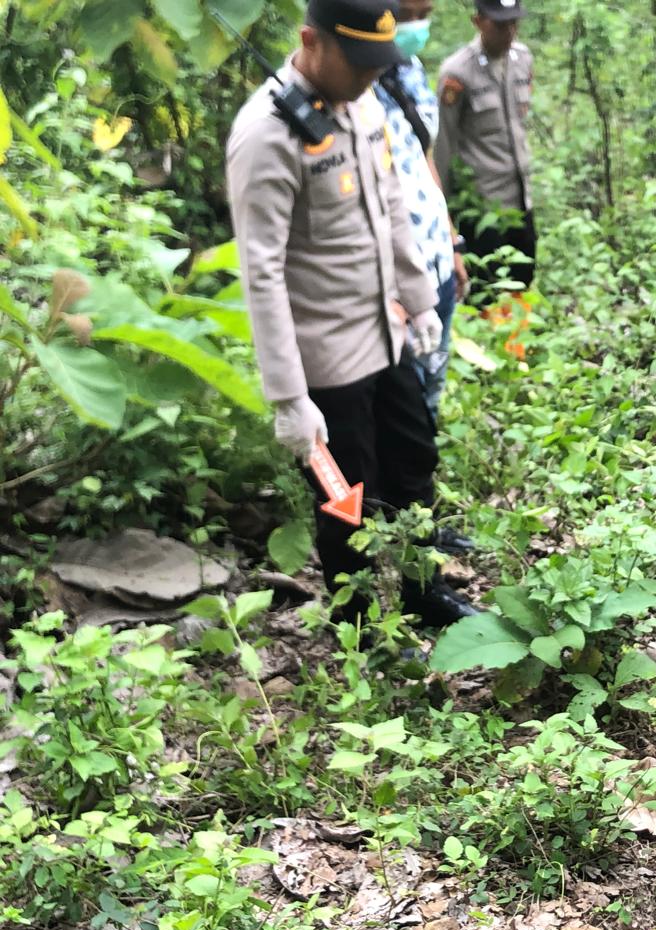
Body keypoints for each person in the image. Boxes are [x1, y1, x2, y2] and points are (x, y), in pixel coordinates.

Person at [225, 0, 476, 627]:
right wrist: (289, 397)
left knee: (415, 462)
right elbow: (261, 272)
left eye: (378, 63)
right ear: (312, 41)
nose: (370, 76)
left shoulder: (361, 104)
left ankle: (424, 590)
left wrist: (420, 304)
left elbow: (392, 208)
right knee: (346, 499)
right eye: (358, 61)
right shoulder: (267, 134)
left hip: (385, 333)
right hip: (326, 360)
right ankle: (359, 626)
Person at [373, 0, 469, 420]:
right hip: (394, 278)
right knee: (398, 409)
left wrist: (451, 241)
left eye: (425, 13)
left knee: (431, 386)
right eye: (407, 16)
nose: (418, 26)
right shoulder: (354, 86)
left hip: (436, 259)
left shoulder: (411, 69)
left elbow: (424, 154)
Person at [434, 0, 536, 297]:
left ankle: (519, 343)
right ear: (478, 22)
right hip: (481, 208)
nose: (509, 32)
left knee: (522, 280)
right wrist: (445, 215)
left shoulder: (522, 59)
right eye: (500, 24)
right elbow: (444, 146)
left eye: (514, 23)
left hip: (520, 200)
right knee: (486, 291)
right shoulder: (457, 73)